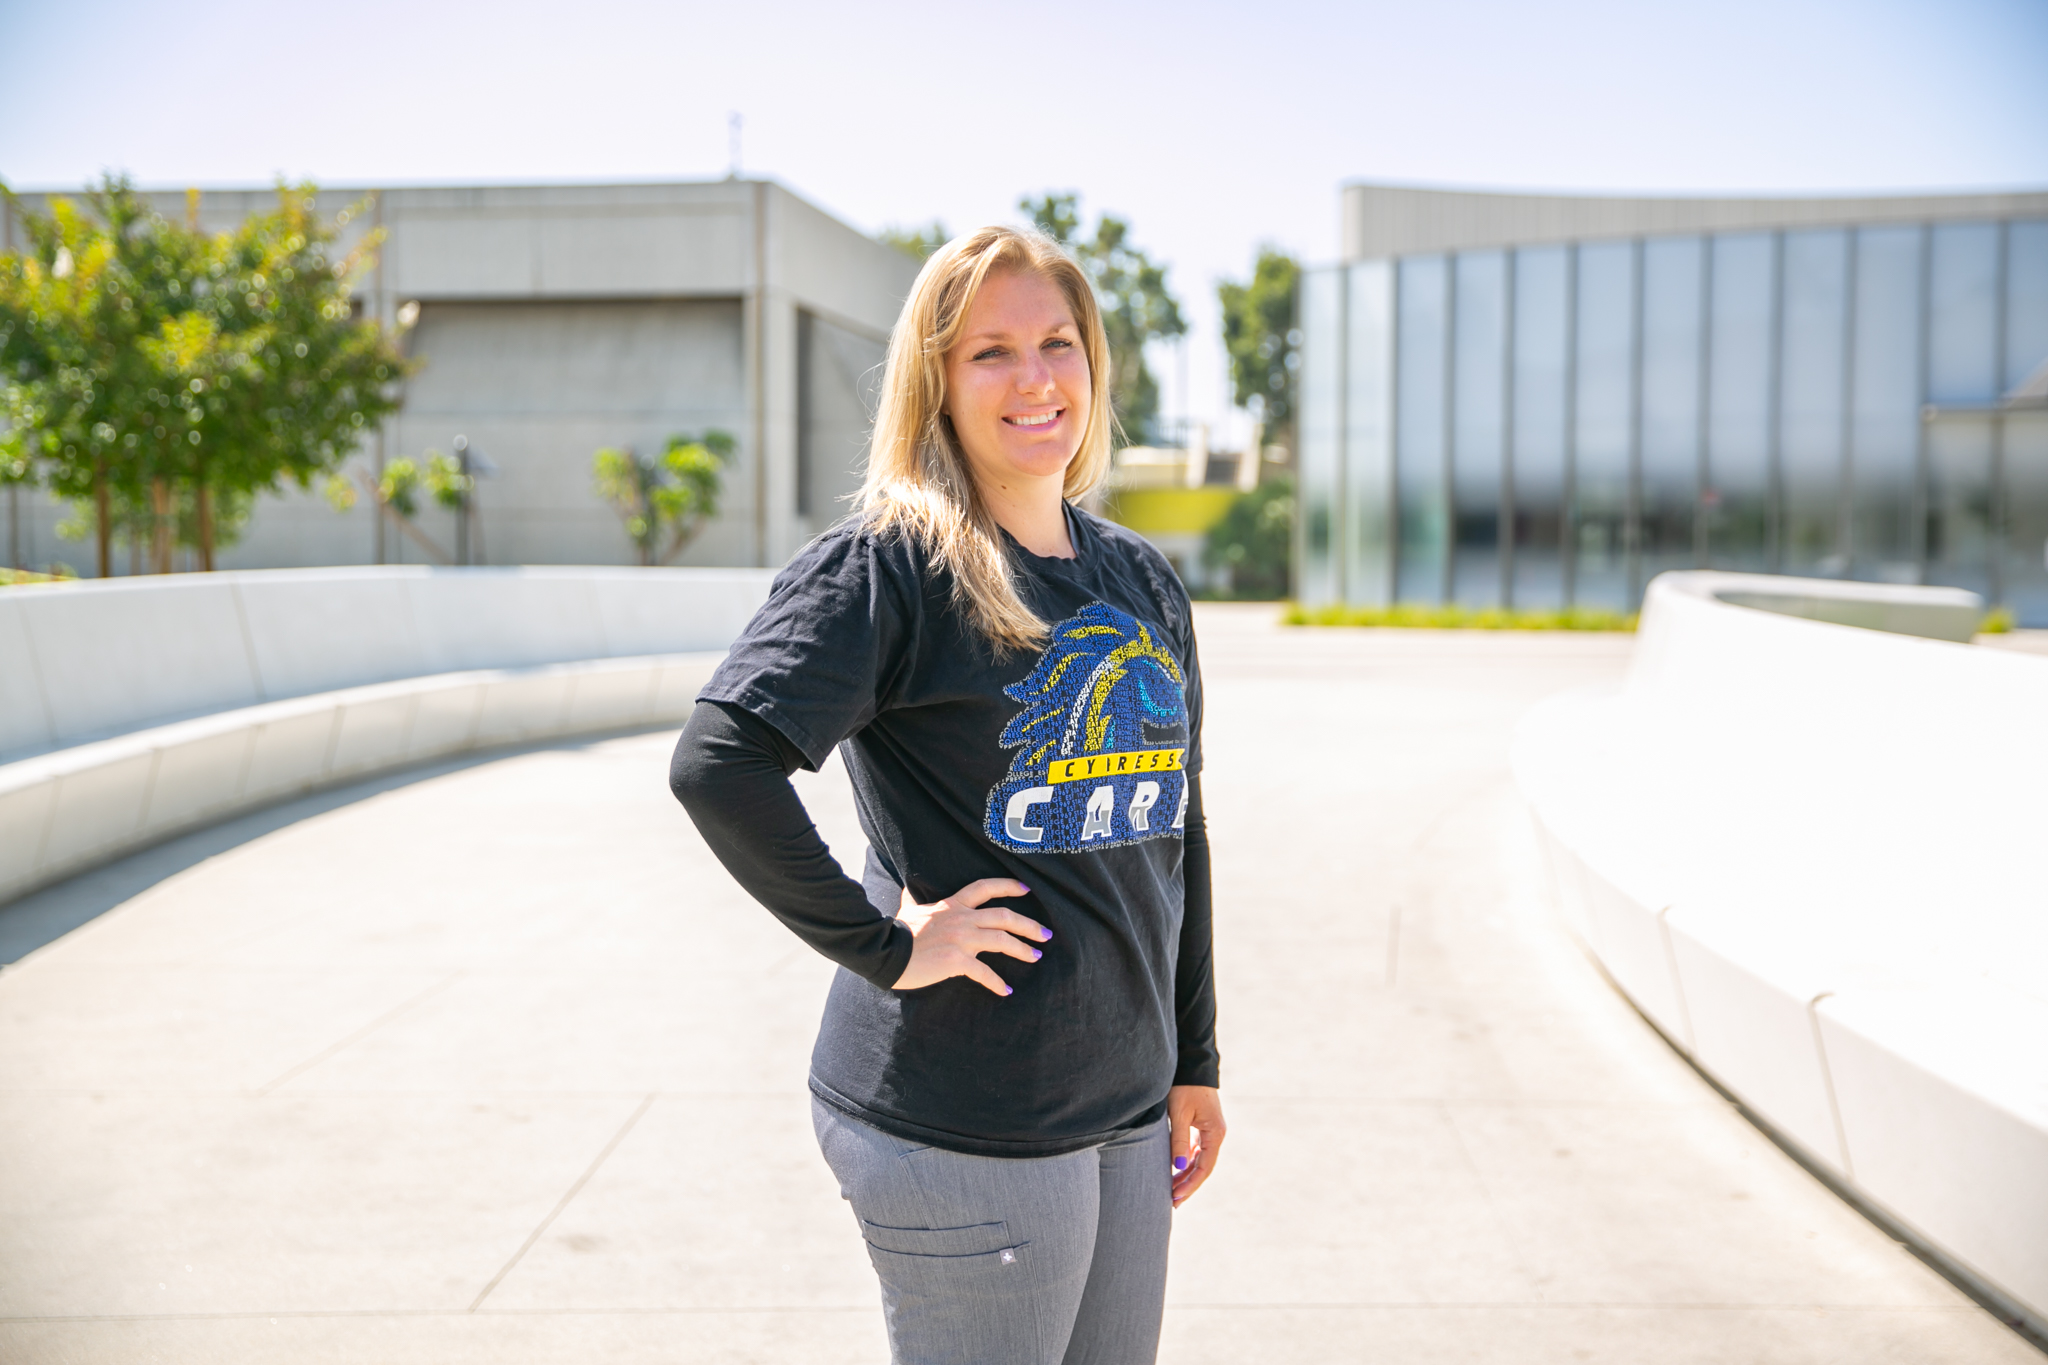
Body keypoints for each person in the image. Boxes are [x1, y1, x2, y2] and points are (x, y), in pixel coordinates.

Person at [668, 224, 1223, 1365]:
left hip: (1121, 1106)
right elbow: (718, 763)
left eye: (1057, 344)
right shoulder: (890, 566)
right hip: (964, 1118)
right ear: (936, 380)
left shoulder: (1137, 577)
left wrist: (1193, 1061)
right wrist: (884, 942)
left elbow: (1178, 833)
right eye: (991, 353)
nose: (1034, 380)